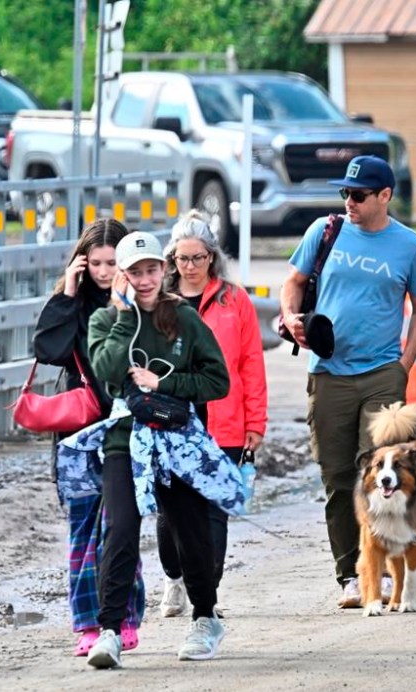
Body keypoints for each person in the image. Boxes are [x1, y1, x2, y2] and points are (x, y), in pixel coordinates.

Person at [58, 231, 244, 669]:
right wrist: (124, 316)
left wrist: (166, 384)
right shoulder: (106, 320)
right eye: (135, 272)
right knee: (120, 527)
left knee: (189, 528)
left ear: (165, 270)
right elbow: (105, 371)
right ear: (121, 276)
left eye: (151, 270)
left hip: (177, 437)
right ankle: (109, 631)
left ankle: (205, 616)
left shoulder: (183, 317)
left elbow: (217, 381)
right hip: (126, 437)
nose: (144, 280)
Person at [279, 155, 416, 608]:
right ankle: (350, 575)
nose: (350, 201)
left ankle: (385, 573)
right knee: (339, 476)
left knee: (382, 473)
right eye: (345, 193)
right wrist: (291, 317)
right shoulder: (325, 232)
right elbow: (294, 281)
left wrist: (404, 364)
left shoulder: (409, 246)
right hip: (328, 374)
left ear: (385, 196)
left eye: (360, 195)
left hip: (384, 373)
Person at [31, 218, 144, 657]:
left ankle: (126, 618)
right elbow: (48, 350)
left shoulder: (140, 301)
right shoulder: (72, 302)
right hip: (78, 430)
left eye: (111, 262)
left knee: (119, 529)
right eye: (94, 262)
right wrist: (68, 293)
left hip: (127, 427)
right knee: (82, 529)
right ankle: (88, 626)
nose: (102, 270)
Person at [157, 210, 268, 617]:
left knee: (212, 513)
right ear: (171, 260)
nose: (189, 266)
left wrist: (256, 421)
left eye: (197, 257)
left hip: (224, 420)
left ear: (211, 257)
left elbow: (251, 363)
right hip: (172, 422)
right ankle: (174, 578)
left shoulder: (234, 300)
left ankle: (209, 596)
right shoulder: (159, 302)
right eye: (182, 259)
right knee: (171, 513)